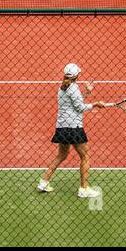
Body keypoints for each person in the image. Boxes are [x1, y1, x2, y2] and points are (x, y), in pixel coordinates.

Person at [37, 63, 107, 197]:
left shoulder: (62, 87)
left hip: (62, 127)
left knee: (61, 155)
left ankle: (44, 182)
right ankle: (84, 188)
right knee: (85, 156)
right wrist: (95, 104)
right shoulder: (73, 87)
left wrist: (87, 92)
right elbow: (80, 107)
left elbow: (75, 103)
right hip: (74, 128)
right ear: (77, 75)